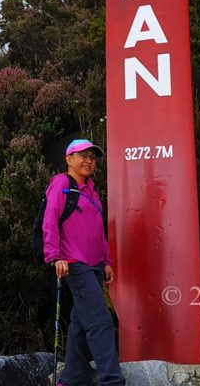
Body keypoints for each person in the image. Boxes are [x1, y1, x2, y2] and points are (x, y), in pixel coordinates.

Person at [42, 138, 124, 386]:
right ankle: (112, 380)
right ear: (69, 159)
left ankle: (69, 380)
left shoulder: (92, 191)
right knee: (100, 321)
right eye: (83, 155)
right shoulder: (61, 184)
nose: (89, 160)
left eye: (93, 156)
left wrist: (107, 261)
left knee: (79, 326)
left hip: (95, 265)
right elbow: (50, 221)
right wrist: (55, 256)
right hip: (74, 264)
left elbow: (98, 231)